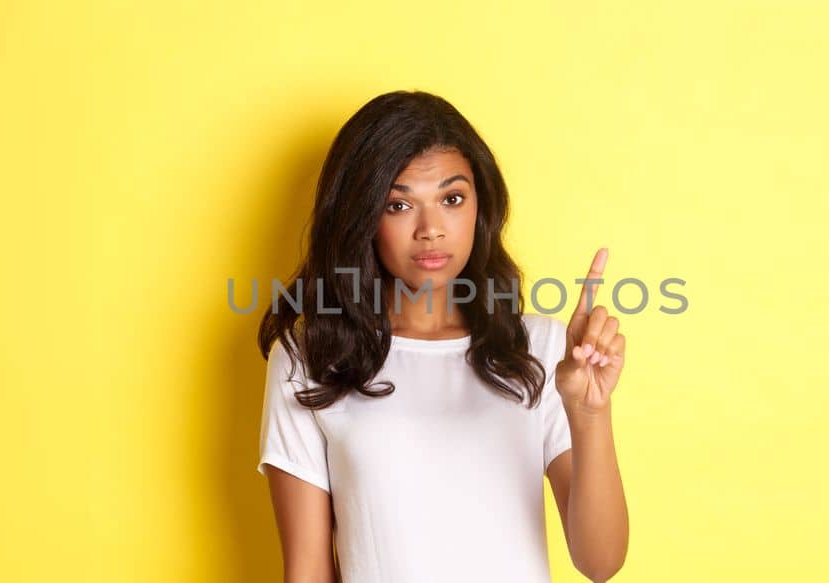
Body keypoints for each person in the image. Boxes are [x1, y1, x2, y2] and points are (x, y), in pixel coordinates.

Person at [256, 90, 629, 582]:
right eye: (398, 204)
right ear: (361, 216)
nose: (431, 229)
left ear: (480, 206)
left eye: (452, 199)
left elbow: (600, 563)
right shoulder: (310, 356)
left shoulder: (541, 350)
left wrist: (589, 415)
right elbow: (307, 571)